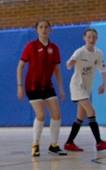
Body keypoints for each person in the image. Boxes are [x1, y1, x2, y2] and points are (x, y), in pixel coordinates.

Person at [17, 20, 68, 157]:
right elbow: (20, 66)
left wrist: (61, 88)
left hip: (47, 85)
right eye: (41, 27)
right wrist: (19, 86)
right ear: (37, 30)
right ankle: (35, 144)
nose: (44, 29)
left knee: (56, 114)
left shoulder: (54, 48)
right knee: (41, 115)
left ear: (50, 30)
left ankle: (53, 145)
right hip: (32, 85)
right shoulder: (31, 46)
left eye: (46, 27)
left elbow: (57, 70)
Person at [63, 28, 106, 152]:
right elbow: (68, 64)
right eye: (89, 37)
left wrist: (103, 84)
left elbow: (103, 70)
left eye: (94, 37)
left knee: (80, 117)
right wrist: (71, 62)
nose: (91, 39)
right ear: (84, 38)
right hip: (77, 86)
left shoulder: (98, 53)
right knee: (91, 111)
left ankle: (69, 143)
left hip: (87, 88)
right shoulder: (80, 52)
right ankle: (99, 142)